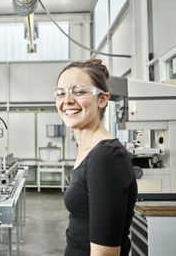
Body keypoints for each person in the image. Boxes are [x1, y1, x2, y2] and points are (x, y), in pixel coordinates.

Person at [54, 59, 137, 256]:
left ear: (102, 99)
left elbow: (104, 254)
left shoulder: (106, 157)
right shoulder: (86, 149)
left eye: (79, 91)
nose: (67, 100)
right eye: (60, 93)